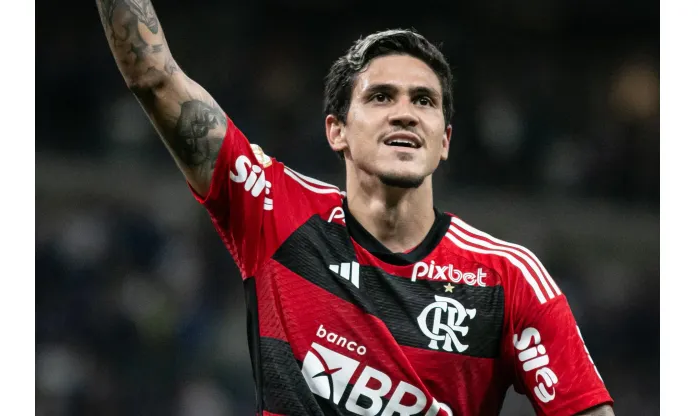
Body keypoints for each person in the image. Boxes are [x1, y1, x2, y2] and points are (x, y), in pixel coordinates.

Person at [95, 1, 615, 415]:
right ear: (336, 130)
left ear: (445, 139)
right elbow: (155, 77)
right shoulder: (276, 209)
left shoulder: (509, 278)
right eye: (381, 97)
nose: (406, 114)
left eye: (424, 101)